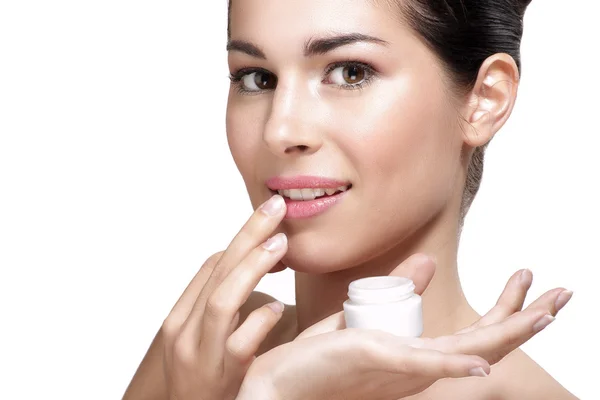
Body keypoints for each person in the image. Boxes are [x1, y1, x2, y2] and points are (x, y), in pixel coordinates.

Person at [123, 0, 577, 399]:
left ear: (485, 99)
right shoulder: (204, 351)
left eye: (349, 73)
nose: (280, 131)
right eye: (257, 78)